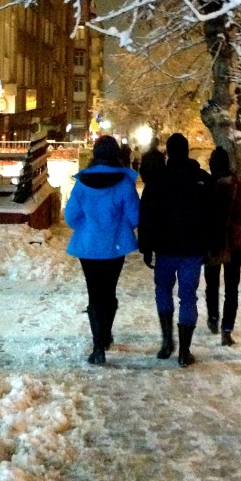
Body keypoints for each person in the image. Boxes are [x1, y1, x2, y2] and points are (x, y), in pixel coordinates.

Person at [64, 135, 140, 365]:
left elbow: (70, 217)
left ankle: (98, 345)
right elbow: (135, 217)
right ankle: (105, 335)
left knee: (94, 293)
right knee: (109, 291)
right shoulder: (124, 183)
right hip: (115, 247)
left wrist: (87, 229)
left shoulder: (82, 184)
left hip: (88, 248)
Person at [138, 132, 213, 367]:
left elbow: (147, 216)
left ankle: (167, 341)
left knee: (163, 290)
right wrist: (209, 247)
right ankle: (184, 351)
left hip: (165, 249)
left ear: (168, 152)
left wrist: (146, 247)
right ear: (188, 150)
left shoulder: (157, 180)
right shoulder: (202, 179)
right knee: (188, 296)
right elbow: (213, 217)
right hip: (192, 250)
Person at [203, 146, 241, 346]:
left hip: (213, 242)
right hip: (234, 243)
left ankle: (213, 318)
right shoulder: (237, 186)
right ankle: (227, 329)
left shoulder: (207, 184)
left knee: (211, 283)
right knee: (231, 288)